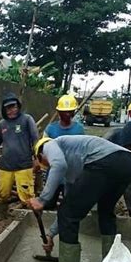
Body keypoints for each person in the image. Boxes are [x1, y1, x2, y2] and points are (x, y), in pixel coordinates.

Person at [28, 136, 131, 262]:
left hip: (105, 162)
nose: (48, 165)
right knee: (105, 212)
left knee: (68, 214)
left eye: (45, 163)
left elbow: (59, 165)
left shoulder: (48, 145)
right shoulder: (74, 171)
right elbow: (69, 206)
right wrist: (51, 234)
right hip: (127, 163)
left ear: (39, 155)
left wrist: (42, 200)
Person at [41, 94, 85, 252]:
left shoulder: (79, 129)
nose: (66, 115)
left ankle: (57, 233)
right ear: (58, 112)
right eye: (63, 112)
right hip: (54, 173)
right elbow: (43, 151)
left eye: (69, 112)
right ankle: (49, 233)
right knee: (49, 203)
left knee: (68, 206)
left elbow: (81, 153)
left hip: (72, 175)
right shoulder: (51, 129)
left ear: (73, 113)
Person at [103, 119, 131, 217]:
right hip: (107, 166)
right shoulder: (111, 140)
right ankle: (104, 213)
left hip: (128, 164)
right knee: (106, 192)